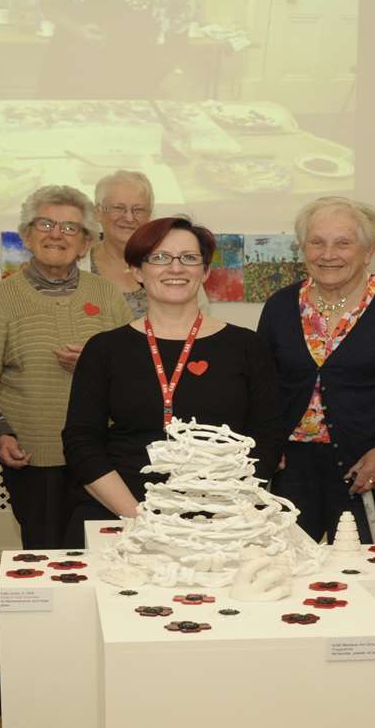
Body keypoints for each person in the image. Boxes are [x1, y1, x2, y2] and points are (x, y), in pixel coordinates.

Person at [0, 185, 134, 728]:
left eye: (72, 228)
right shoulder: (4, 299)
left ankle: (76, 710)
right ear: (27, 235)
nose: (59, 236)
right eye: (45, 226)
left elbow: (139, 381)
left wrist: (101, 366)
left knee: (103, 590)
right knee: (51, 594)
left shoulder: (109, 295)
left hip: (105, 471)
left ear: (89, 240)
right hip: (35, 469)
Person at [64, 216, 277, 539]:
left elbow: (267, 440)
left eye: (189, 258)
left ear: (205, 271)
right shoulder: (105, 349)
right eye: (160, 258)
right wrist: (142, 518)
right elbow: (81, 443)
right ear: (137, 270)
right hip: (125, 510)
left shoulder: (247, 346)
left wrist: (222, 512)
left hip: (226, 515)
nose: (175, 268)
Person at [263, 196, 375, 544]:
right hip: (291, 469)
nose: (328, 254)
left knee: (362, 575)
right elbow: (260, 387)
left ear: (369, 250)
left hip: (369, 467)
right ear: (303, 247)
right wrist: (266, 446)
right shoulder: (280, 305)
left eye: (343, 242)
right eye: (317, 242)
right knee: (284, 570)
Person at [88, 170, 156, 319]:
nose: (129, 218)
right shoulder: (76, 266)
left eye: (138, 210)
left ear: (149, 216)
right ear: (98, 212)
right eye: (118, 208)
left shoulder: (172, 263)